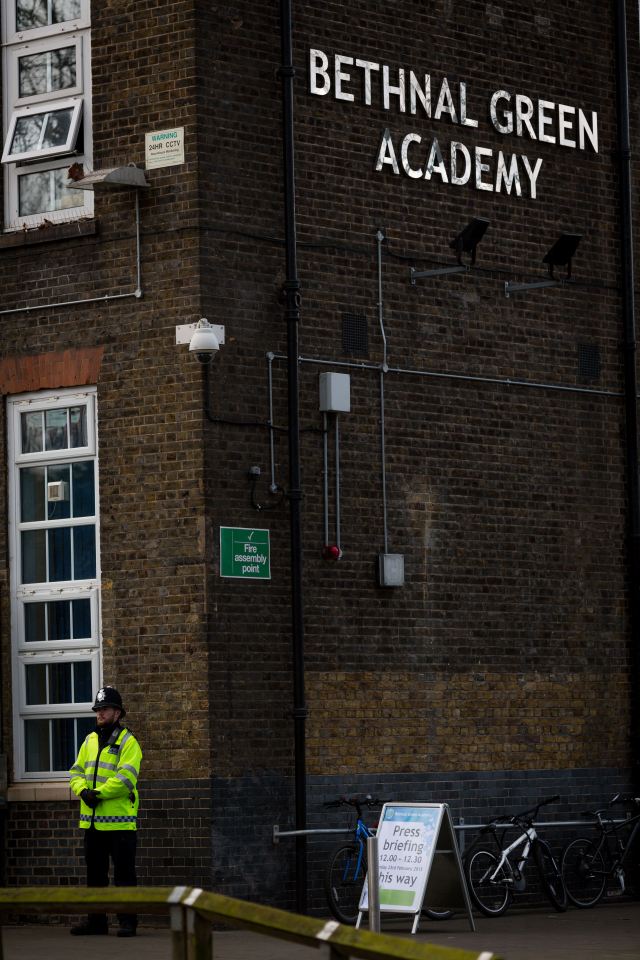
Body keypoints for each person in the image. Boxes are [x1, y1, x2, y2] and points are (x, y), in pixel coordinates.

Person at [68, 686, 142, 937]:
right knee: (95, 876)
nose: (99, 713)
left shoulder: (128, 742)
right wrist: (82, 790)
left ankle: (127, 922)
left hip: (120, 824)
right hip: (92, 824)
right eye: (97, 709)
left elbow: (125, 779)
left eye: (104, 708)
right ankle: (96, 922)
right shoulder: (89, 740)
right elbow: (76, 771)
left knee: (124, 876)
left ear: (118, 713)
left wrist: (96, 794)